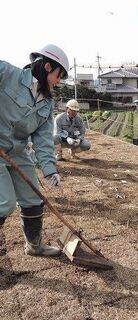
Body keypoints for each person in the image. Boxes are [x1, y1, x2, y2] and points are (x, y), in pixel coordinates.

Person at [0, 44, 69, 256]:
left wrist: (50, 169)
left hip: (18, 152)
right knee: (4, 203)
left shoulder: (47, 104)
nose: (58, 82)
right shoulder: (7, 74)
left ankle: (34, 246)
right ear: (48, 67)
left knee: (33, 198)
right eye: (59, 76)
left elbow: (43, 139)